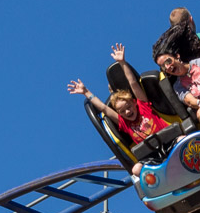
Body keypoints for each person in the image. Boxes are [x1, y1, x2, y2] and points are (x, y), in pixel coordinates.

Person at [67, 44, 169, 175]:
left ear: (134, 103)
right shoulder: (124, 123)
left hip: (168, 141)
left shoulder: (143, 106)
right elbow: (103, 107)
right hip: (153, 155)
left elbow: (133, 83)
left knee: (182, 139)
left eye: (128, 107)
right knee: (136, 169)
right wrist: (86, 92)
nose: (127, 112)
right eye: (122, 111)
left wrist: (122, 63)